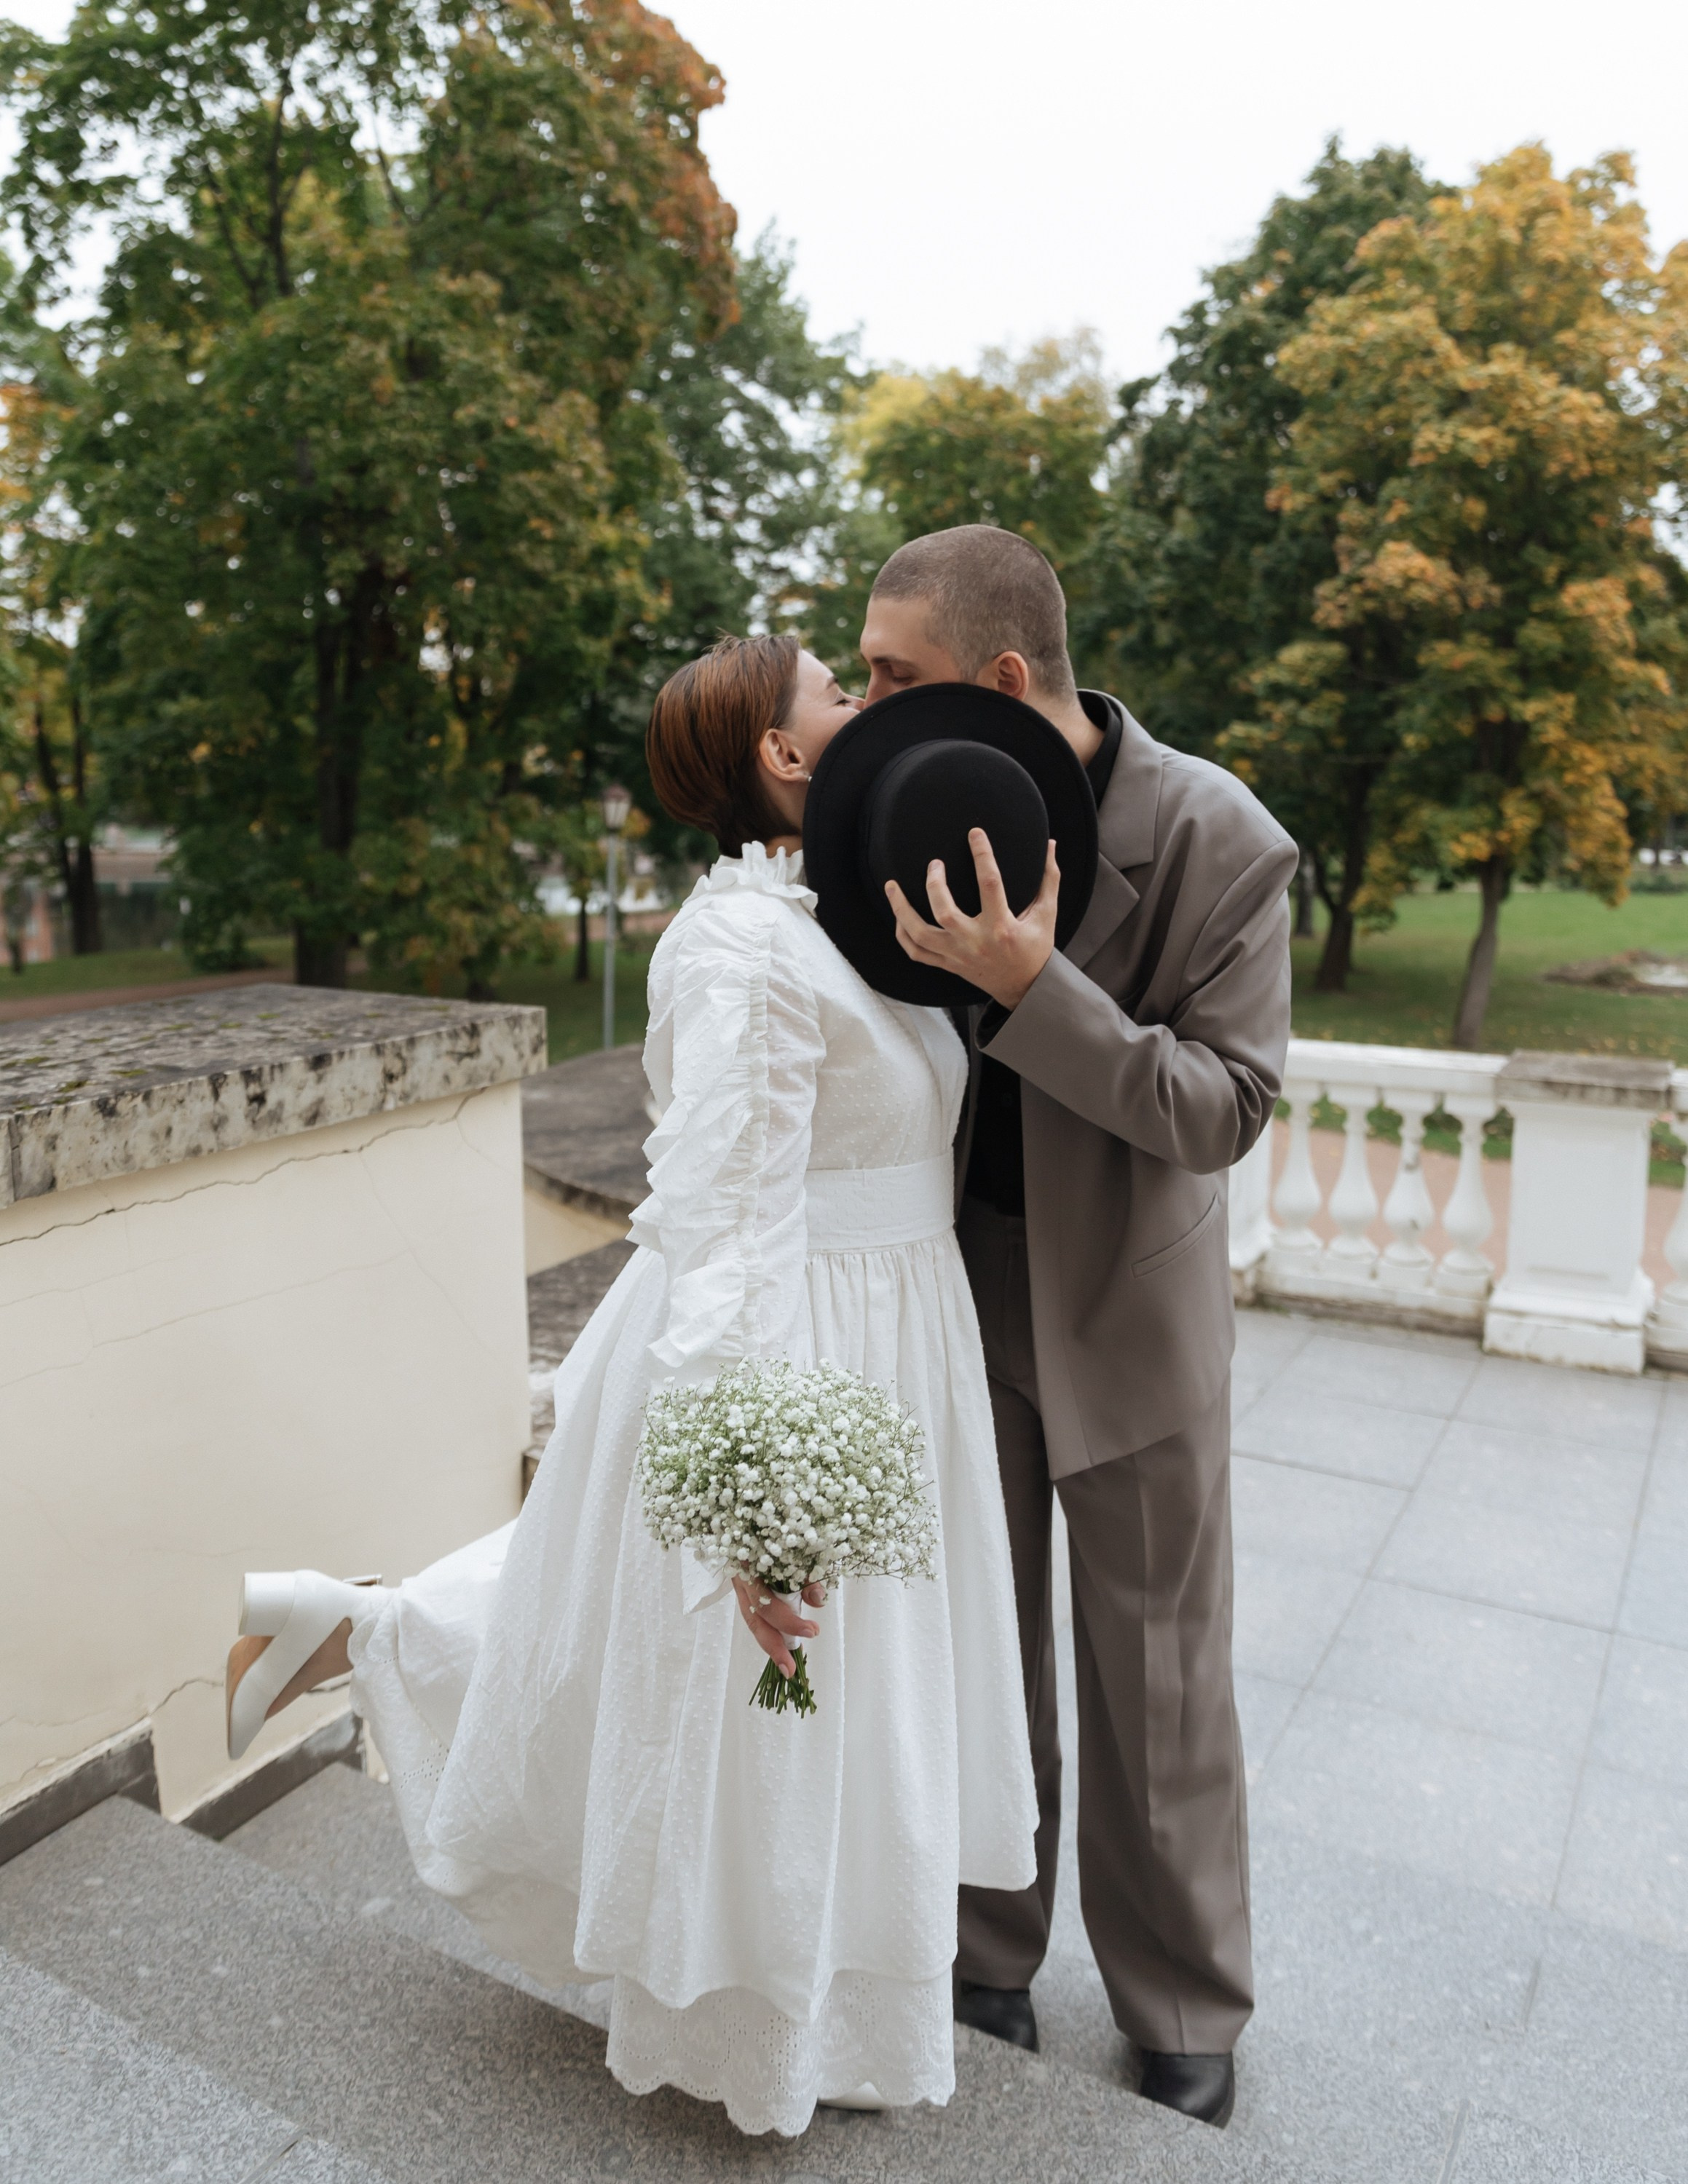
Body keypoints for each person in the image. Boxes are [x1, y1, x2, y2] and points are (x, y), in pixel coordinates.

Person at [224, 635, 1038, 2139]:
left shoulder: (841, 913)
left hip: (895, 1335)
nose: (866, 708)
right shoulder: (734, 951)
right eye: (837, 694)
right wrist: (752, 1496)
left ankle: (357, 1624)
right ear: (785, 760)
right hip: (798, 1344)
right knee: (764, 1710)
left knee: (793, 1692)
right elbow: (727, 1224)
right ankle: (758, 2035)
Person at [863, 526, 1297, 2131]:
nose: (861, 701)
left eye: (888, 673)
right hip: (949, 1295)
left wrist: (1034, 985)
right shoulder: (900, 807)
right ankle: (985, 1951)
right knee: (982, 1652)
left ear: (996, 678)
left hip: (1130, 1310)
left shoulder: (1220, 839)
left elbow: (1221, 1107)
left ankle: (1185, 1994)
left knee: (1156, 1680)